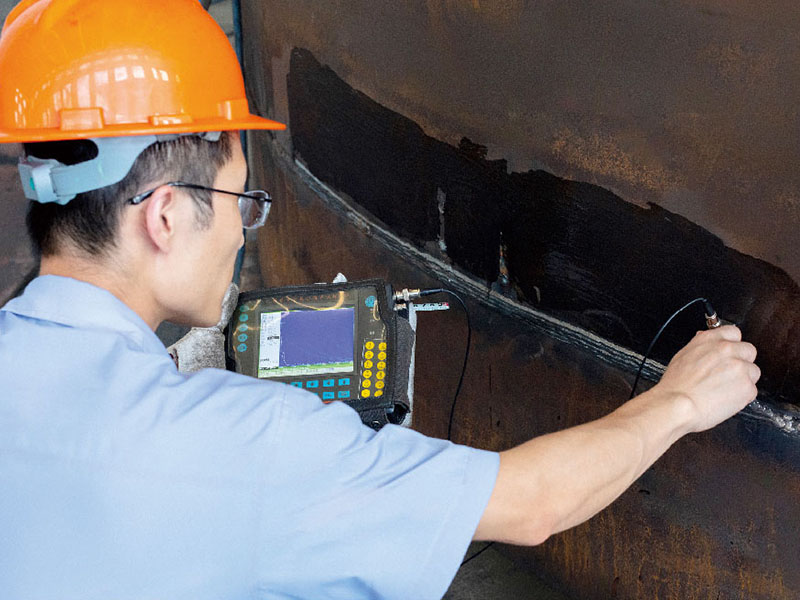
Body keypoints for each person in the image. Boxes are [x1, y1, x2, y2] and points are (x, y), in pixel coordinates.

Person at [0, 1, 760, 599]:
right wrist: (681, 402)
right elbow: (532, 504)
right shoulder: (252, 443)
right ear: (164, 216)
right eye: (244, 201)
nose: (242, 231)